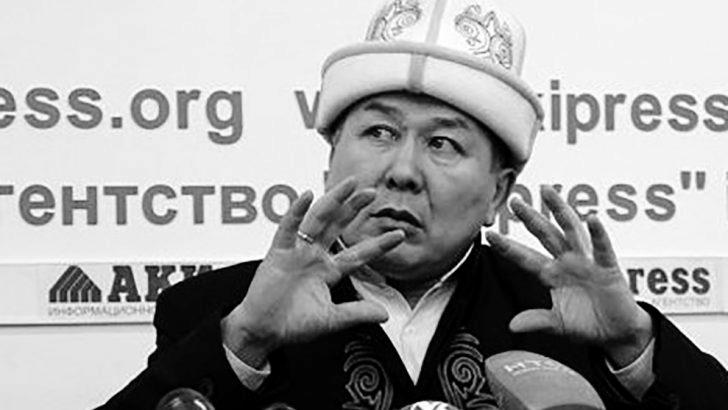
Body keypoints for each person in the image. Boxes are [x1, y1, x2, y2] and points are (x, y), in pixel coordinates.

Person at [100, 0, 728, 408]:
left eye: (442, 144)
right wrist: (243, 342)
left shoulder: (566, 318)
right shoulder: (217, 310)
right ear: (330, 159)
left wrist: (633, 349)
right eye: (379, 132)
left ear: (499, 192)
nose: (402, 171)